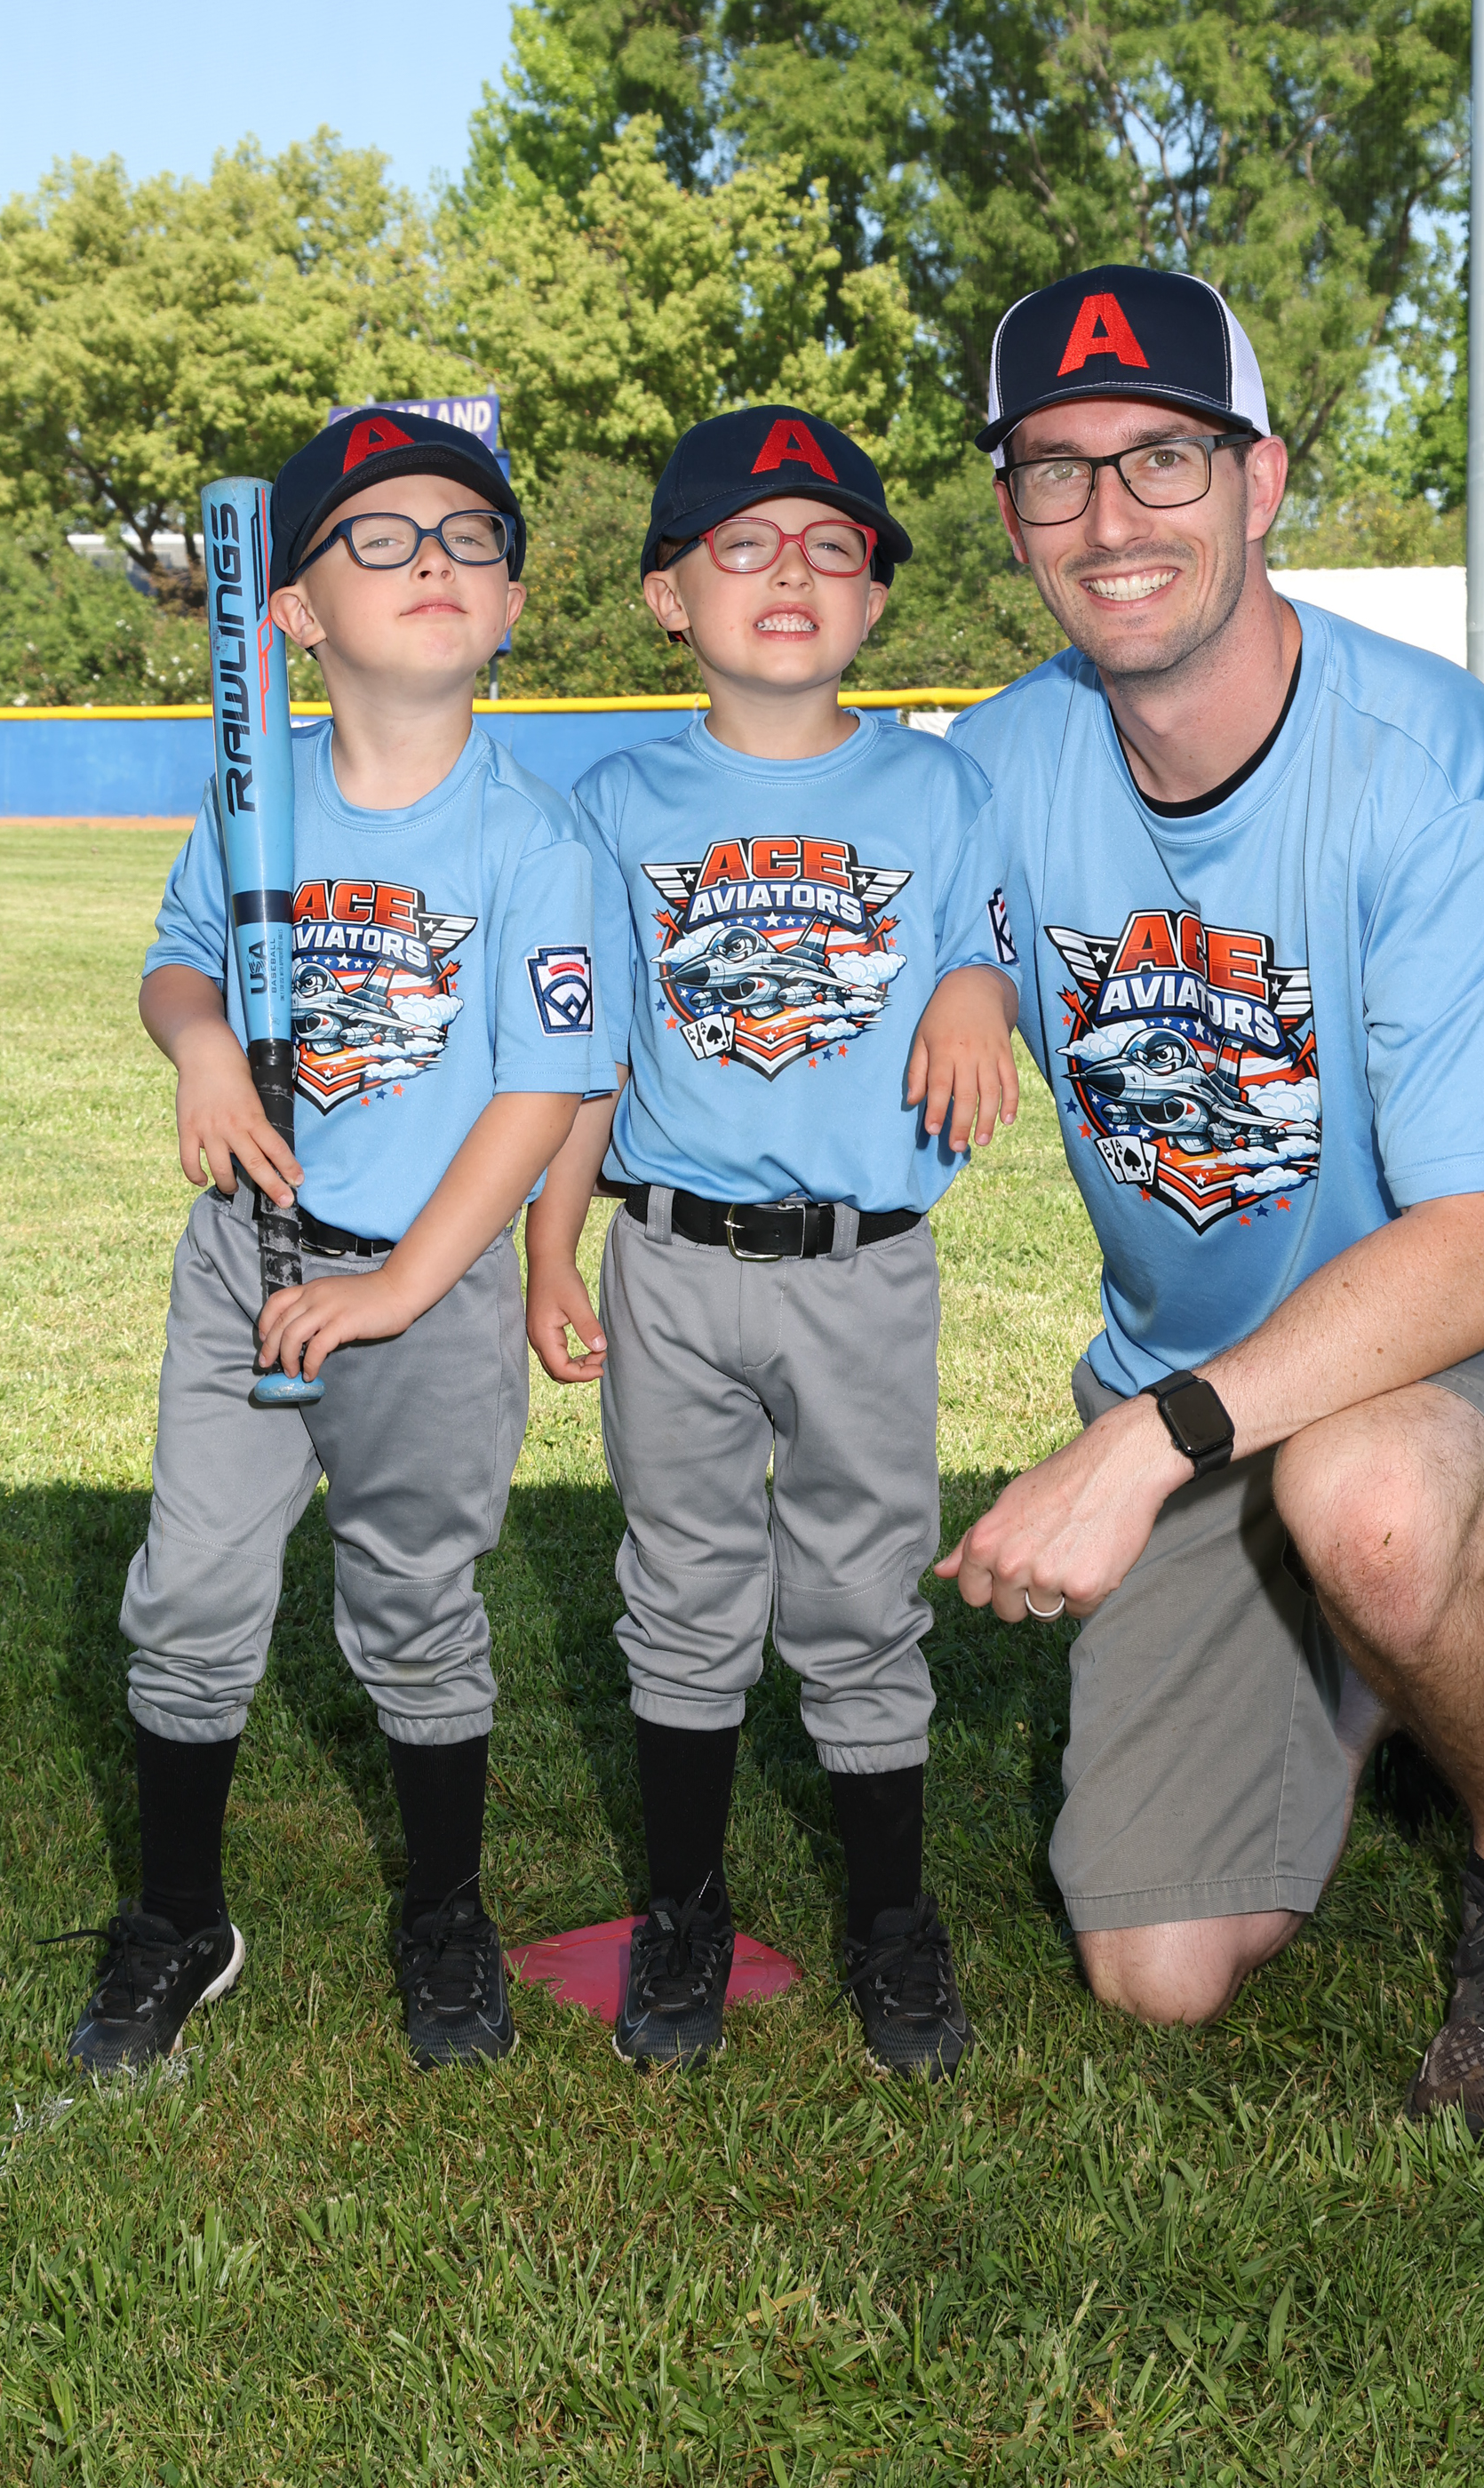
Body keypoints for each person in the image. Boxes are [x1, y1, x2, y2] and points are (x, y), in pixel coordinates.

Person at [941, 267, 1484, 2133]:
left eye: (1162, 458)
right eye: (1056, 469)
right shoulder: (993, 768)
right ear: (1012, 515)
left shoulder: (1427, 763)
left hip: (1480, 1327)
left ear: (1259, 480)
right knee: (1159, 1970)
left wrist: (1138, 1445)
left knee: (1372, 1500)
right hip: (1208, 1377)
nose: (1110, 516)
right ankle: (1370, 1669)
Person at [53, 409, 610, 2076]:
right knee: (191, 1592)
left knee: (416, 1604)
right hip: (248, 1256)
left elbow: (543, 1091)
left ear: (511, 606)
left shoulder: (534, 841)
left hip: (425, 1284)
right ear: (289, 613)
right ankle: (178, 1916)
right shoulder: (258, 799)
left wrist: (401, 1287)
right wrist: (201, 1048)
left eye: (467, 536)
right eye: (377, 536)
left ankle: (444, 1909)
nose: (431, 558)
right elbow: (179, 961)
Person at [526, 405, 1019, 2078]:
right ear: (670, 597)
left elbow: (984, 942)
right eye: (742, 545)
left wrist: (974, 986)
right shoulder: (618, 802)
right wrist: (548, 1251)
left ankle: (891, 1918)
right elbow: (586, 1058)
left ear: (875, 596)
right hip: (667, 1259)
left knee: (865, 1593)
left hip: (864, 1268)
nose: (790, 571)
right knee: (682, 1588)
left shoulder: (939, 787)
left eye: (832, 546)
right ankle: (683, 1910)